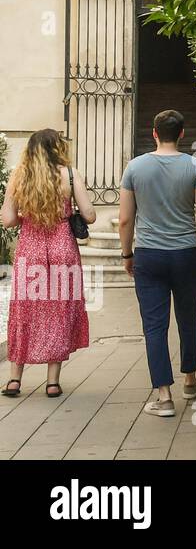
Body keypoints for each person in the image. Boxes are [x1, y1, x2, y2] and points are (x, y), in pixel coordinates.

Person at [118, 109, 196, 417]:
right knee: (189, 318)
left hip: (149, 254)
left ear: (154, 133)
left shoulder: (135, 167)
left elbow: (125, 219)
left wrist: (127, 254)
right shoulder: (195, 166)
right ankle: (190, 378)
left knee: (154, 325)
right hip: (186, 252)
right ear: (183, 134)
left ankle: (164, 397)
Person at [1, 129, 94, 399]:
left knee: (24, 310)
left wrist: (27, 218)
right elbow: (89, 214)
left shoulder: (19, 176)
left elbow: (6, 219)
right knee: (58, 311)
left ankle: (15, 380)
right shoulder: (71, 175)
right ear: (58, 148)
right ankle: (52, 382)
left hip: (30, 248)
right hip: (63, 247)